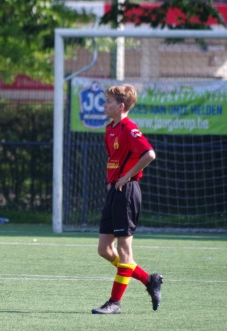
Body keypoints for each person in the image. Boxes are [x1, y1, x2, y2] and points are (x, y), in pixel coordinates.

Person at [92, 84, 163, 314]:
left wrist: (126, 176)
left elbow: (149, 154)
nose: (105, 105)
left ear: (120, 106)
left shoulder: (129, 128)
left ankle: (114, 303)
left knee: (124, 250)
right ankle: (147, 279)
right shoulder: (109, 129)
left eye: (109, 102)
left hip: (128, 191)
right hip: (114, 191)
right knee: (104, 249)